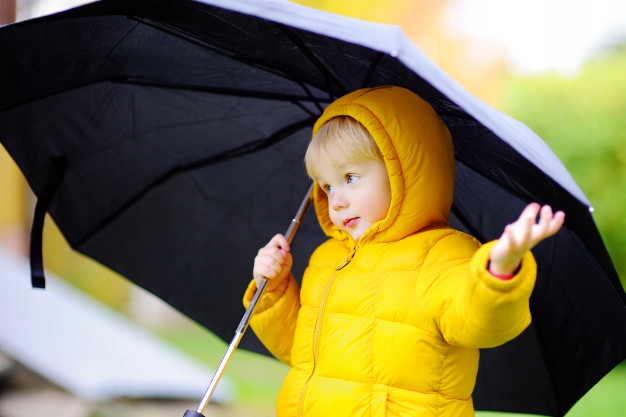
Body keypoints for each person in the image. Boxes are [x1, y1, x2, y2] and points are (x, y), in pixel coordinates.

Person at [243, 86, 565, 417]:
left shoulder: (442, 254)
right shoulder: (328, 258)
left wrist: (499, 270)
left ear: (405, 174)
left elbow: (477, 323)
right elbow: (303, 352)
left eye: (350, 177)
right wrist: (274, 290)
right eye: (327, 186)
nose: (336, 200)